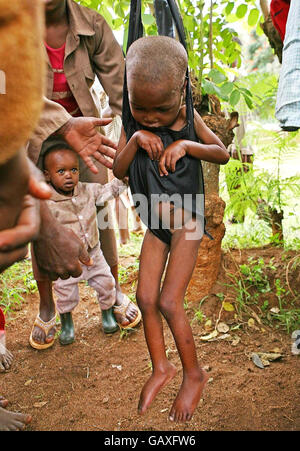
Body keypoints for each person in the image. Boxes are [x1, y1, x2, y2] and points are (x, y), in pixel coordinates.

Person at [113, 36, 230, 423]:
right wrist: (135, 138)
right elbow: (118, 169)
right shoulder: (134, 124)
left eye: (159, 110)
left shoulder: (188, 119)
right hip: (156, 224)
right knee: (144, 297)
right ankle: (161, 368)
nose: (149, 118)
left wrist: (185, 146)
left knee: (167, 301)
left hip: (187, 226)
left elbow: (222, 154)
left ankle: (194, 375)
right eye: (139, 108)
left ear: (181, 91)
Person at [28, 0, 141, 349]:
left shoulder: (92, 25)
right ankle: (50, 307)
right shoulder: (12, 29)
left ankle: (112, 294)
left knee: (100, 216)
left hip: (85, 138)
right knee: (42, 221)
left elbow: (122, 88)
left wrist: (127, 139)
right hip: (33, 137)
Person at [36, 137, 141, 346]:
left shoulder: (87, 190)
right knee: (65, 293)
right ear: (47, 175)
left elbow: (107, 192)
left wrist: (123, 181)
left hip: (94, 254)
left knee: (106, 284)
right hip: (68, 261)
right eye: (61, 171)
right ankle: (66, 323)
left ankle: (107, 314)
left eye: (74, 170)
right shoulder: (46, 202)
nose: (69, 176)